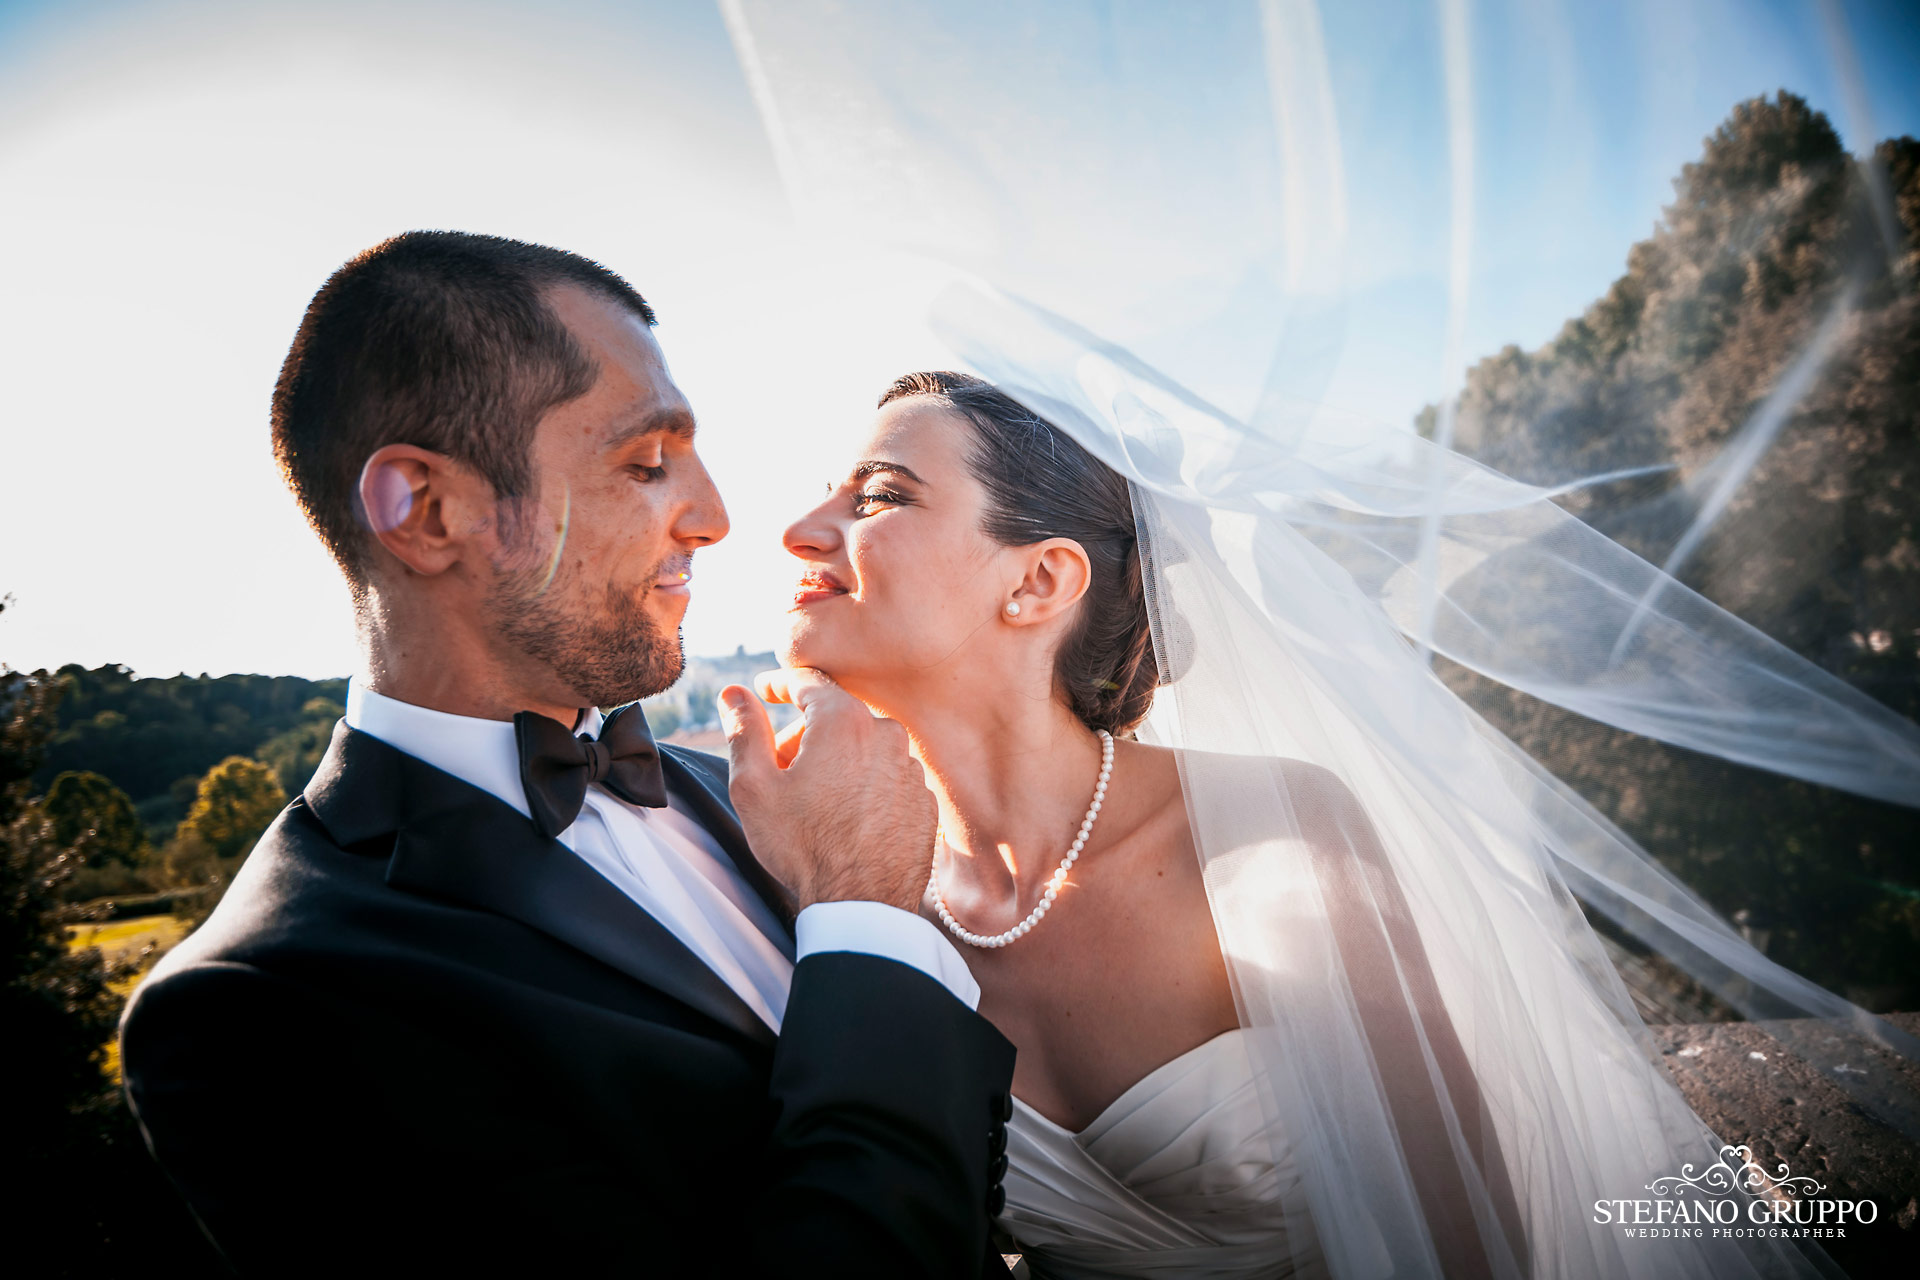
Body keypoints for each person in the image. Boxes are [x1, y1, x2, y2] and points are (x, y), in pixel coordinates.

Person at [768, 369, 1908, 1279]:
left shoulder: (1276, 838)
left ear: (1039, 582)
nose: (799, 531)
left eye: (879, 496)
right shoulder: (848, 902)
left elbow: (1471, 1245)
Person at [118, 233, 1017, 1278]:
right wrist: (863, 906)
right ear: (426, 510)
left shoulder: (751, 794)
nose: (716, 518)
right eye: (646, 463)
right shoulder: (259, 1008)